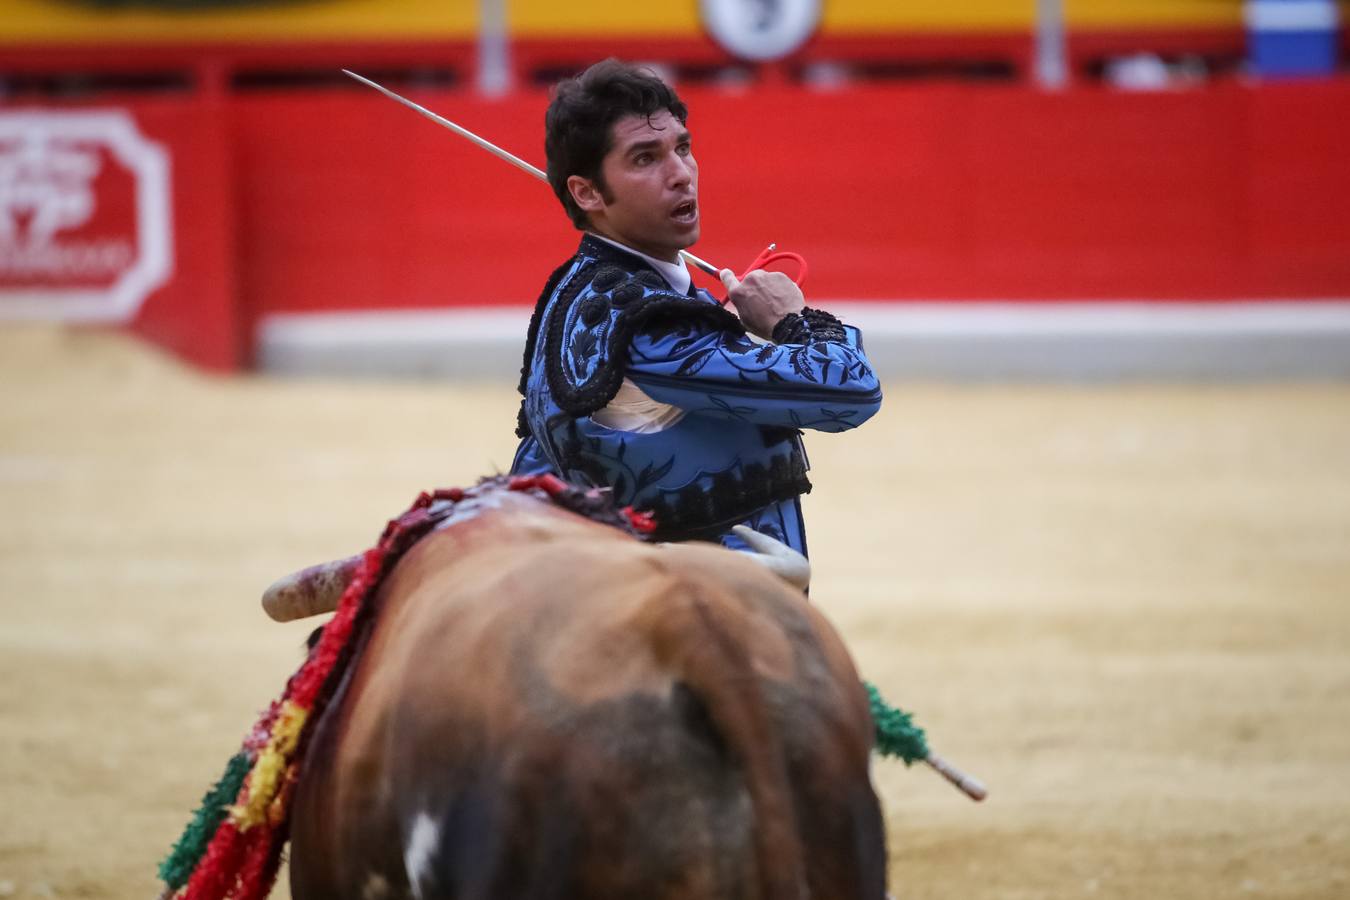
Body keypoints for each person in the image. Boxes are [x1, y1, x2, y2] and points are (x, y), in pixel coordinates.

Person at [511, 59, 881, 556]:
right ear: (588, 192)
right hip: (711, 609)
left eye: (682, 148)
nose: (681, 175)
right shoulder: (647, 322)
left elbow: (541, 462)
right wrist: (794, 322)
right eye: (645, 159)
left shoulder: (576, 290)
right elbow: (852, 393)